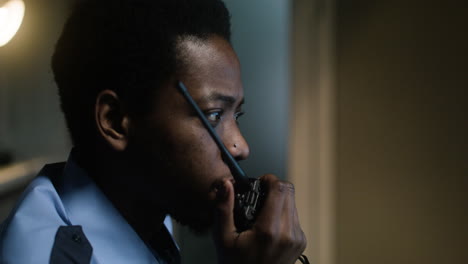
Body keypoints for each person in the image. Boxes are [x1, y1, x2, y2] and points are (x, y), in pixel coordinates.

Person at [0, 0, 307, 263]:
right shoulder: (48, 256)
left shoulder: (147, 205)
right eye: (213, 115)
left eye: (236, 114)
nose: (241, 146)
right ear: (116, 120)